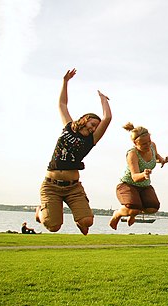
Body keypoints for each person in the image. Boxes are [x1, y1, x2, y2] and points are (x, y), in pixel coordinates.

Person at [36, 68, 112, 235]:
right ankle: (40, 212)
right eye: (92, 124)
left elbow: (107, 118)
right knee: (53, 226)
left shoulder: (91, 140)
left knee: (87, 221)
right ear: (84, 120)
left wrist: (103, 99)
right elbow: (62, 104)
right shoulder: (68, 127)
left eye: (96, 128)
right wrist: (65, 82)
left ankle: (80, 221)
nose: (93, 128)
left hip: (73, 188)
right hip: (51, 186)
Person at [109, 123, 168, 230]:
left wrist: (162, 160)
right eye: (143, 144)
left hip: (144, 185)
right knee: (133, 209)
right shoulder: (132, 154)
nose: (148, 145)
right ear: (135, 143)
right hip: (128, 184)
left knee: (153, 207)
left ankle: (134, 213)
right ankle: (118, 214)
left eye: (149, 141)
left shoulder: (152, 146)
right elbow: (135, 177)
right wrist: (144, 174)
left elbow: (155, 156)